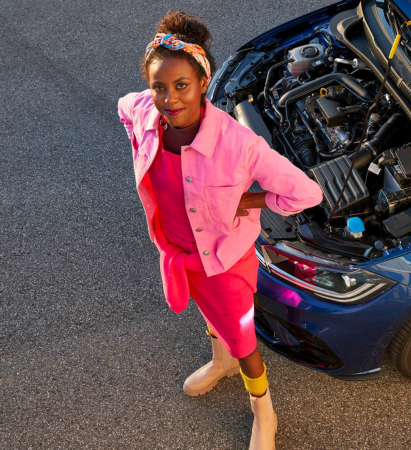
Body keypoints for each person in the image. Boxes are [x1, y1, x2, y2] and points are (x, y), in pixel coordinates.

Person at [117, 10, 322, 449]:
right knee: (209, 316)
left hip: (225, 263)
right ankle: (219, 362)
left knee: (244, 338)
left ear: (204, 82)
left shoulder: (239, 145)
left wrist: (246, 201)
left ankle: (263, 412)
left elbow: (306, 194)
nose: (169, 99)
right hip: (178, 253)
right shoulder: (142, 110)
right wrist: (139, 140)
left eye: (181, 86)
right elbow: (124, 109)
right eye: (159, 87)